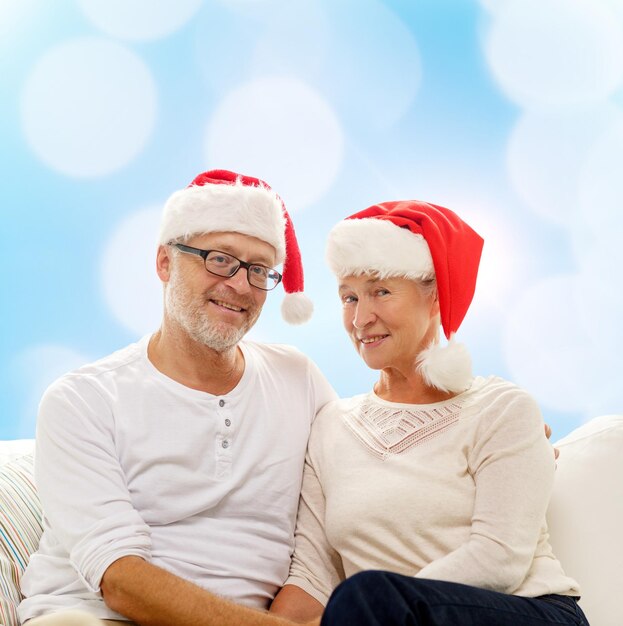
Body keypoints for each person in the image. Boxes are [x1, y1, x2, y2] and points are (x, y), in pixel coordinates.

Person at [18, 170, 337, 626]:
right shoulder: (82, 399)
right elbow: (119, 579)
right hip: (95, 617)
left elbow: (321, 543)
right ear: (165, 263)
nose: (242, 286)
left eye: (259, 269)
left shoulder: (299, 380)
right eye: (220, 259)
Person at [269, 200, 589, 625]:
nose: (361, 318)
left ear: (435, 297)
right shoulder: (330, 427)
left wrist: (379, 610)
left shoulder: (502, 408)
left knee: (371, 596)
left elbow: (499, 559)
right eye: (349, 297)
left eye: (381, 291)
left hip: (526, 612)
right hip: (378, 614)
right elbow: (312, 576)